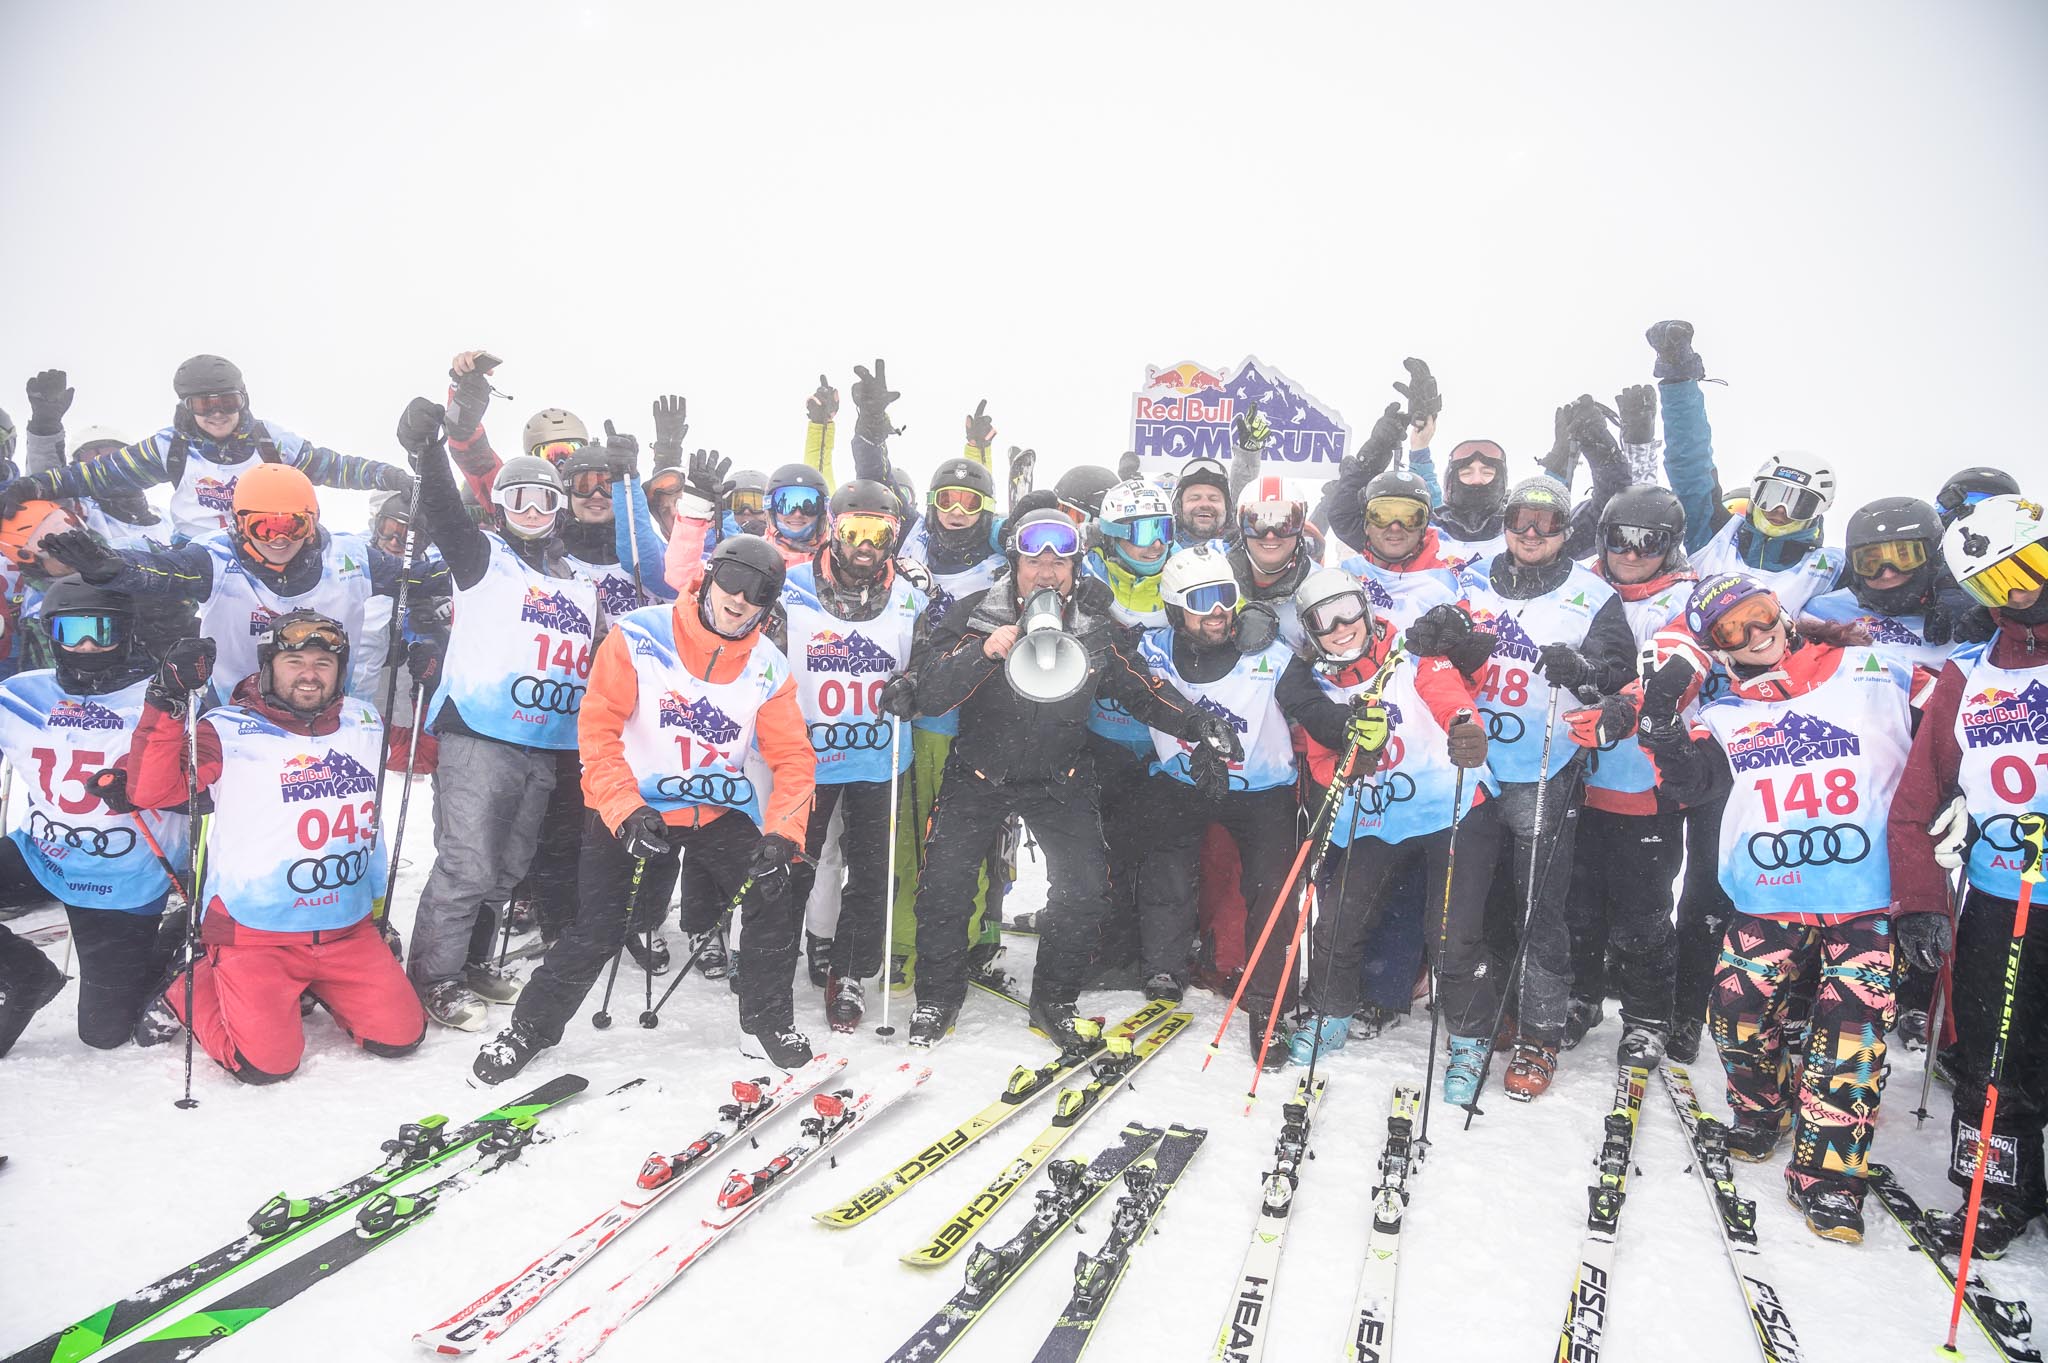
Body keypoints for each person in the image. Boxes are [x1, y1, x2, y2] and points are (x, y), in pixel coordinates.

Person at [474, 533, 819, 1080]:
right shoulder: (639, 635)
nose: (740, 600)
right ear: (708, 577)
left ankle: (767, 1022)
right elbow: (599, 727)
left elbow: (795, 758)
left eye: (759, 593)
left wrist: (783, 834)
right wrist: (623, 807)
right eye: (732, 581)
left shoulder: (769, 667)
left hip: (714, 810)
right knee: (600, 928)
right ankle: (527, 1030)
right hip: (635, 806)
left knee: (774, 897)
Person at [1638, 572, 1913, 1243]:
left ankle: (1828, 1177)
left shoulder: (1874, 670)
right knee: (1734, 1016)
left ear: (1783, 613)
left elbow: (1950, 734)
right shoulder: (1730, 713)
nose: (1754, 635)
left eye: (1760, 615)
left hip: (1863, 898)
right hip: (1771, 894)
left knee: (1851, 1038)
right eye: (1732, 630)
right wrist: (1660, 723)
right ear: (1720, 649)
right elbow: (1689, 782)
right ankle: (1764, 1110)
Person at [907, 503, 1228, 1049]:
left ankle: (1055, 998)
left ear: (1077, 567)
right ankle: (937, 995)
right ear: (1016, 564)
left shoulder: (1098, 625)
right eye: (1036, 561)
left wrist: (1198, 723)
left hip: (1061, 772)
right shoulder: (972, 613)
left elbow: (1140, 689)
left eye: (1061, 563)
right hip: (979, 770)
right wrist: (982, 653)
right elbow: (929, 691)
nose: (1048, 573)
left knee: (1082, 891)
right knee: (944, 887)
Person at [1409, 474, 1636, 1100]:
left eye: (1548, 522)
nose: (1532, 533)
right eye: (1520, 519)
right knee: (1473, 903)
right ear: (1505, 521)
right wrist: (1437, 635)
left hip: (1542, 764)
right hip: (1470, 763)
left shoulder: (1593, 593)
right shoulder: (1472, 572)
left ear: (1567, 531)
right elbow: (1430, 636)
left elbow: (1620, 676)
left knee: (1539, 907)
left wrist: (1585, 671)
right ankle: (1487, 1010)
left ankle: (1540, 1031)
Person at [125, 612, 425, 1084]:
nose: (310, 674)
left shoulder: (363, 721)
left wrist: (433, 685)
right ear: (268, 666)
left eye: (324, 662)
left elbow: (425, 753)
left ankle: (316, 987)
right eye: (295, 660)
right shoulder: (226, 729)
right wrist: (166, 700)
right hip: (255, 933)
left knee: (400, 1036)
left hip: (347, 929)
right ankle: (191, 985)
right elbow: (151, 789)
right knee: (266, 1066)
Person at [391, 400, 605, 1030]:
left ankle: (474, 961)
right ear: (500, 509)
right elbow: (442, 513)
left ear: (559, 507)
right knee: (467, 863)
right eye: (518, 501)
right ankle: (434, 976)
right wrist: (427, 451)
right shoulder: (482, 557)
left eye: (543, 500)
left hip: (546, 739)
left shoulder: (575, 579)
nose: (532, 513)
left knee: (509, 868)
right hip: (481, 733)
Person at [1889, 494, 2048, 1257]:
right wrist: (1920, 901)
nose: (2021, 590)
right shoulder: (1968, 675)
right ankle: (1997, 1189)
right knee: (1992, 1051)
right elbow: (1913, 803)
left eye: (2032, 566)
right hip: (2003, 898)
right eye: (1997, 582)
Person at [1287, 567, 1500, 1095]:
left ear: (1366, 607)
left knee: (1451, 933)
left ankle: (1470, 1041)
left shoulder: (1411, 652)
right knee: (1337, 919)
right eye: (1323, 620)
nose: (1341, 628)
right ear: (1309, 631)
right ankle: (1331, 1013)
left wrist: (1463, 726)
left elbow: (1446, 691)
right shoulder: (1315, 684)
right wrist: (1348, 762)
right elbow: (1319, 760)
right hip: (1378, 816)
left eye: (1348, 612)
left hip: (1450, 807)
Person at [38, 463, 448, 705]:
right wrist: (111, 568)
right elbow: (160, 572)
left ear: (313, 521)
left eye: (292, 524)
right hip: (237, 710)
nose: (278, 538)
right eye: (263, 526)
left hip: (329, 705)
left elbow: (426, 578)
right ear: (238, 522)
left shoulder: (352, 558)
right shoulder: (214, 558)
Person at [1125, 547, 1307, 1061]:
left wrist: (1342, 734)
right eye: (1201, 601)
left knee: (1271, 886)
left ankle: (1269, 998)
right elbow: (1132, 686)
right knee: (1166, 863)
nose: (1218, 611)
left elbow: (1310, 704)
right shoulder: (1152, 651)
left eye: (1226, 596)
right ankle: (1164, 964)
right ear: (1174, 609)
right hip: (1183, 780)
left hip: (1261, 789)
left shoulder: (1266, 650)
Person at [0, 580, 189, 1050]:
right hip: (42, 855)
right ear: (51, 633)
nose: (86, 645)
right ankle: (25, 973)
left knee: (103, 1035)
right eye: (72, 630)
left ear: (125, 633)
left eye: (102, 630)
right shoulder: (21, 694)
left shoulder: (165, 697)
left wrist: (158, 792)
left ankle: (172, 934)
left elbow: (215, 783)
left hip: (123, 880)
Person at [779, 478, 928, 1032]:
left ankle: (849, 974)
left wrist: (915, 681)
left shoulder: (912, 596)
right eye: (853, 531)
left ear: (894, 537)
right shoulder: (790, 587)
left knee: (873, 874)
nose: (865, 545)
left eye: (879, 532)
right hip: (806, 757)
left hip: (877, 756)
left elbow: (934, 656)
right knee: (796, 863)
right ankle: (774, 963)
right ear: (832, 532)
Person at [1562, 483, 1698, 1065]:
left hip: (1645, 779)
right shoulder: (1580, 587)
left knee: (1642, 909)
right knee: (1578, 903)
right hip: (1578, 774)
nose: (1633, 552)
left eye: (1650, 541)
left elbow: (1680, 669)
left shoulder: (1687, 600)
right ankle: (1582, 995)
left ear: (1671, 547)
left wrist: (1625, 707)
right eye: (1621, 538)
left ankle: (1646, 1015)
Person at [0, 354, 412, 542]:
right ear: (187, 407)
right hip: (199, 557)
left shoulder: (269, 441)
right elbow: (94, 475)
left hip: (270, 547)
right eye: (203, 406)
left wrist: (388, 476)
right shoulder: (171, 446)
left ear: (243, 400)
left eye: (226, 403)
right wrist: (31, 488)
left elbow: (332, 467)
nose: (216, 415)